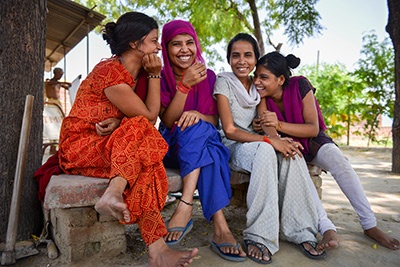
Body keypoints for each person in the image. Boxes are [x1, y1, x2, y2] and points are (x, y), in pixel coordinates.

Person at [57, 12, 198, 267]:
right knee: (144, 142)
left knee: (147, 158)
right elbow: (148, 117)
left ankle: (157, 250)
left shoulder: (140, 73)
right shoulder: (110, 71)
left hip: (119, 145)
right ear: (135, 43)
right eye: (154, 40)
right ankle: (119, 199)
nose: (158, 47)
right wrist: (155, 76)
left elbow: (144, 122)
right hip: (81, 146)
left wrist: (122, 122)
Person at [253, 51, 400, 251]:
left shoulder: (300, 85)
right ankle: (327, 228)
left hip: (312, 140)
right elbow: (273, 136)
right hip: (287, 144)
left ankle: (369, 224)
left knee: (339, 162)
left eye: (263, 77)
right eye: (256, 76)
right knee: (298, 172)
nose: (257, 82)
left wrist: (278, 123)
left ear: (280, 79)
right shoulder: (261, 98)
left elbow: (312, 128)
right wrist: (277, 135)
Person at [213, 33, 332, 264]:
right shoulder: (224, 81)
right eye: (235, 55)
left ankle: (300, 231)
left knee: (292, 153)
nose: (241, 61)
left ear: (255, 59)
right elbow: (229, 129)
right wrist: (271, 142)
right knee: (269, 150)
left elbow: (265, 125)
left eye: (248, 55)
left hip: (258, 144)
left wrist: (280, 140)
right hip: (234, 146)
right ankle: (260, 235)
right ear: (228, 59)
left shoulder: (258, 86)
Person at [158, 20, 246, 262]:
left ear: (196, 45)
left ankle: (200, 215)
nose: (185, 49)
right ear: (166, 48)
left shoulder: (207, 76)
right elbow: (167, 121)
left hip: (201, 141)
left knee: (207, 144)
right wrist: (184, 87)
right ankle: (217, 226)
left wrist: (198, 116)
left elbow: (214, 118)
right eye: (176, 44)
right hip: (173, 146)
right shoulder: (161, 77)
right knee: (204, 141)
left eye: (189, 43)